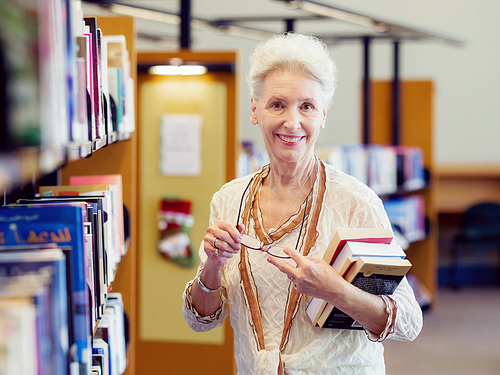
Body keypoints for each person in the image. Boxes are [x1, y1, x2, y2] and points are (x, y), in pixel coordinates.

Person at [182, 33, 422, 375]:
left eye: (306, 106)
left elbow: (409, 322)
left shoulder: (355, 202)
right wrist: (213, 266)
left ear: (322, 114)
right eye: (277, 104)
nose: (291, 122)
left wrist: (335, 291)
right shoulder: (229, 199)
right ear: (255, 110)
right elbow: (202, 321)